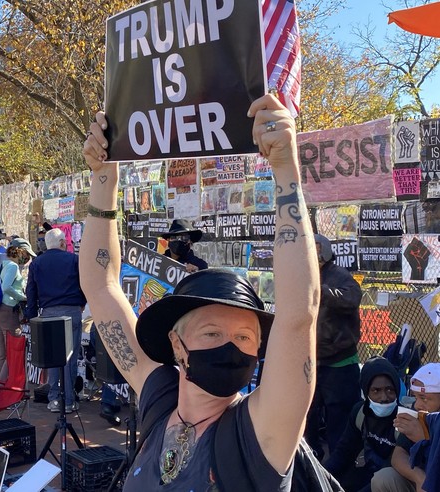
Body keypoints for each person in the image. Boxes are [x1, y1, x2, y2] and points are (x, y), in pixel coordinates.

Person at [79, 95, 320, 489]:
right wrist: (104, 177)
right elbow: (100, 287)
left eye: (245, 337)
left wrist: (285, 169)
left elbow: (299, 315)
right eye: (212, 333)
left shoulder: (259, 435)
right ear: (176, 343)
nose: (231, 346)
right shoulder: (159, 398)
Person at [305, 233, 363, 461]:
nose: (314, 252)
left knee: (339, 417)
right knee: (308, 415)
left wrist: (322, 290)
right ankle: (310, 459)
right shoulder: (303, 276)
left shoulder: (339, 275)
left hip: (339, 361)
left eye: (317, 247)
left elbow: (352, 297)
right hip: (312, 360)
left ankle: (339, 467)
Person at [26, 227, 86, 413]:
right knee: (70, 358)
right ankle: (68, 400)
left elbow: (31, 291)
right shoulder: (74, 259)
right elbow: (84, 282)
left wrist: (31, 315)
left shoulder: (37, 263)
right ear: (62, 243)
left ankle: (54, 399)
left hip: (48, 313)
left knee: (51, 358)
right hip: (71, 310)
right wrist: (81, 302)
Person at [323, 356, 400, 491]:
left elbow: (393, 468)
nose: (384, 397)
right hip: (370, 471)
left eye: (390, 390)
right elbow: (343, 452)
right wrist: (320, 476)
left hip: (390, 480)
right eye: (376, 391)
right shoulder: (360, 413)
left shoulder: (403, 420)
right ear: (366, 391)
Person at [372, 363, 440, 492]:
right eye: (416, 397)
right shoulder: (418, 413)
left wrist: (424, 439)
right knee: (384, 478)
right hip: (422, 482)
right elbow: (398, 456)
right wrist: (419, 477)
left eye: (424, 398)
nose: (418, 404)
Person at [0, 239, 34, 380]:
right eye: (26, 254)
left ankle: (1, 384)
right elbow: (6, 287)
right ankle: (6, 385)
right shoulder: (13, 266)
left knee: (3, 353)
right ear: (20, 251)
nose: (27, 258)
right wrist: (22, 297)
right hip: (8, 310)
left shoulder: (4, 264)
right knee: (14, 350)